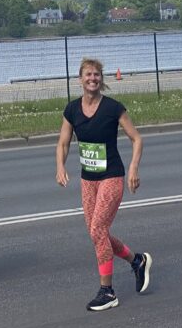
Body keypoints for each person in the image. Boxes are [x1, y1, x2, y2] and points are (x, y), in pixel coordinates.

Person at [56, 57, 151, 311]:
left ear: (101, 79)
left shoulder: (113, 108)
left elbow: (137, 138)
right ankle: (137, 260)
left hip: (112, 176)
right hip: (89, 179)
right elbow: (63, 142)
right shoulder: (72, 109)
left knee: (98, 229)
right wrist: (60, 166)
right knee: (98, 234)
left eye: (96, 75)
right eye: (88, 75)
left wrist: (133, 168)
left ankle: (107, 291)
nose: (92, 79)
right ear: (80, 79)